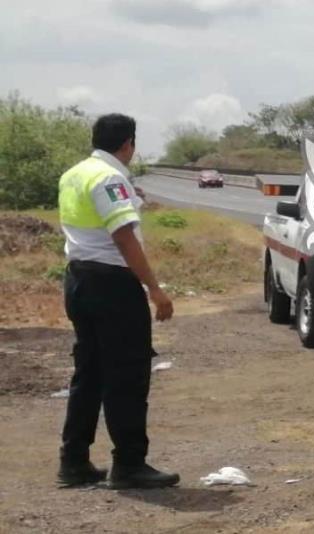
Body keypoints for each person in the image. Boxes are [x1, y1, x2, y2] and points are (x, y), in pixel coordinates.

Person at [57, 113, 180, 489]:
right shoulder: (110, 178)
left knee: (90, 373)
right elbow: (124, 237)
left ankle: (74, 461)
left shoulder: (76, 173)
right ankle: (129, 463)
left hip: (78, 279)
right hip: (112, 286)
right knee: (126, 375)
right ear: (128, 144)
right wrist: (154, 289)